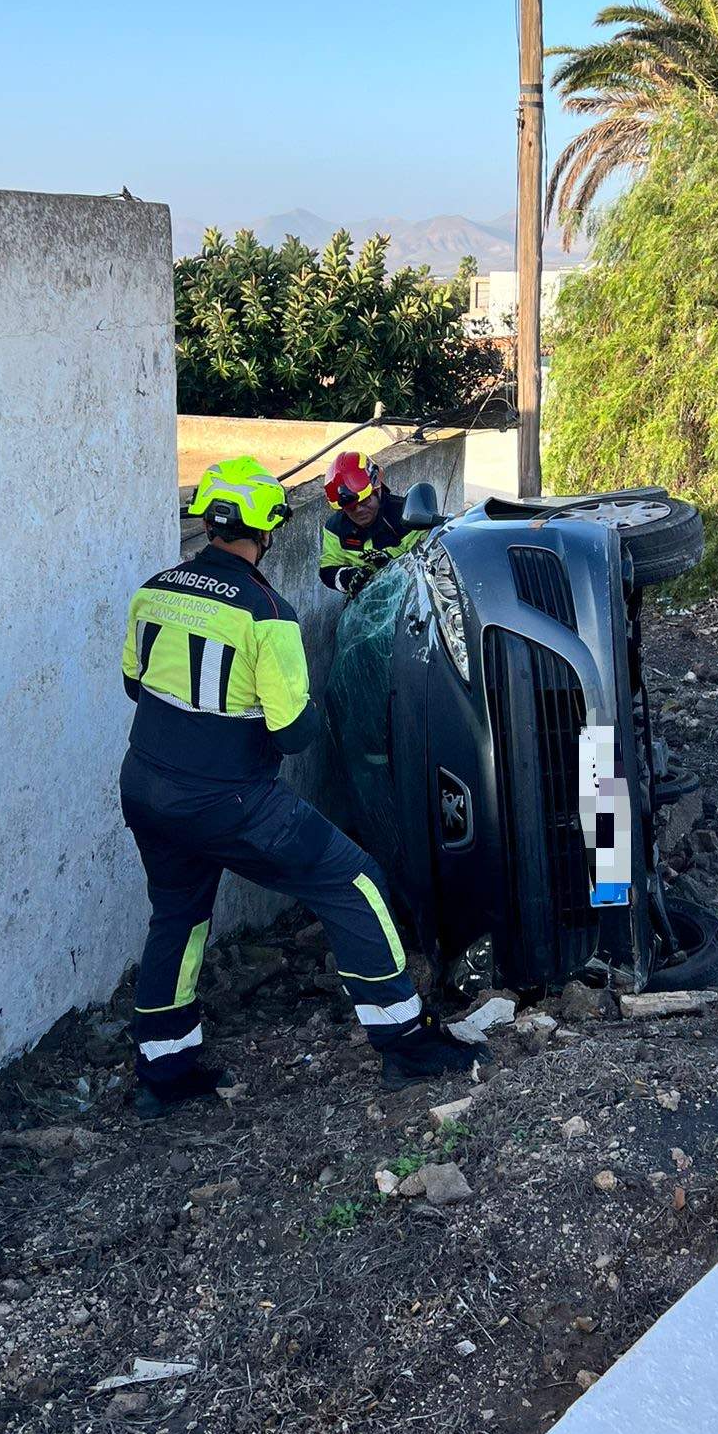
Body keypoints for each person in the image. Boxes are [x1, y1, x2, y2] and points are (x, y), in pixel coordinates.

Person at [119, 454, 473, 1115]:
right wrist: (317, 707)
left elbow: (135, 683)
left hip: (146, 787)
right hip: (231, 798)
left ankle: (163, 1070)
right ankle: (406, 1041)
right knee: (353, 880)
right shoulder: (265, 612)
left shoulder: (154, 589)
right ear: (267, 532)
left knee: (179, 916)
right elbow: (292, 734)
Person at [318, 450, 430, 597]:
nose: (359, 510)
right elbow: (327, 569)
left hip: (411, 598)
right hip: (365, 605)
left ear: (378, 489)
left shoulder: (408, 517)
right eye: (350, 508)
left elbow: (427, 564)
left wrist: (390, 566)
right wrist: (349, 577)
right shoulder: (335, 529)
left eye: (365, 501)